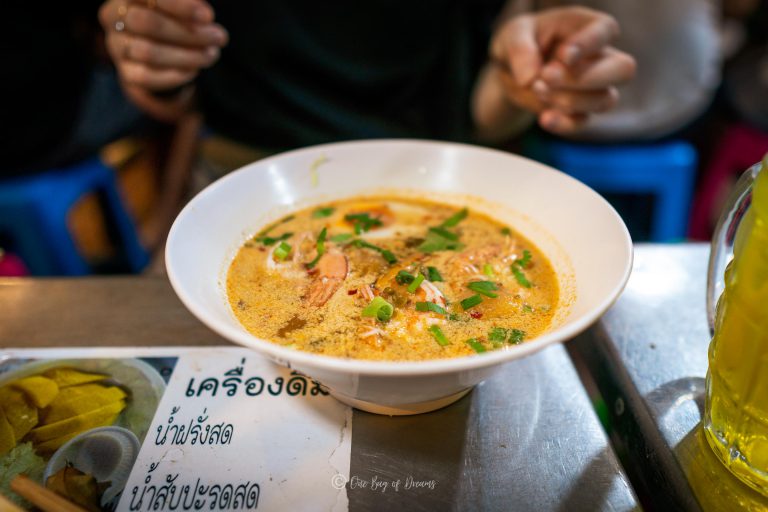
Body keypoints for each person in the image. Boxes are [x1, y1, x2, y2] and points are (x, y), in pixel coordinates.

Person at [96, 0, 635, 160]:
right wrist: (153, 60)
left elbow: (484, 112)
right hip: (240, 175)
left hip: (439, 181)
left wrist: (526, 79)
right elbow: (174, 101)